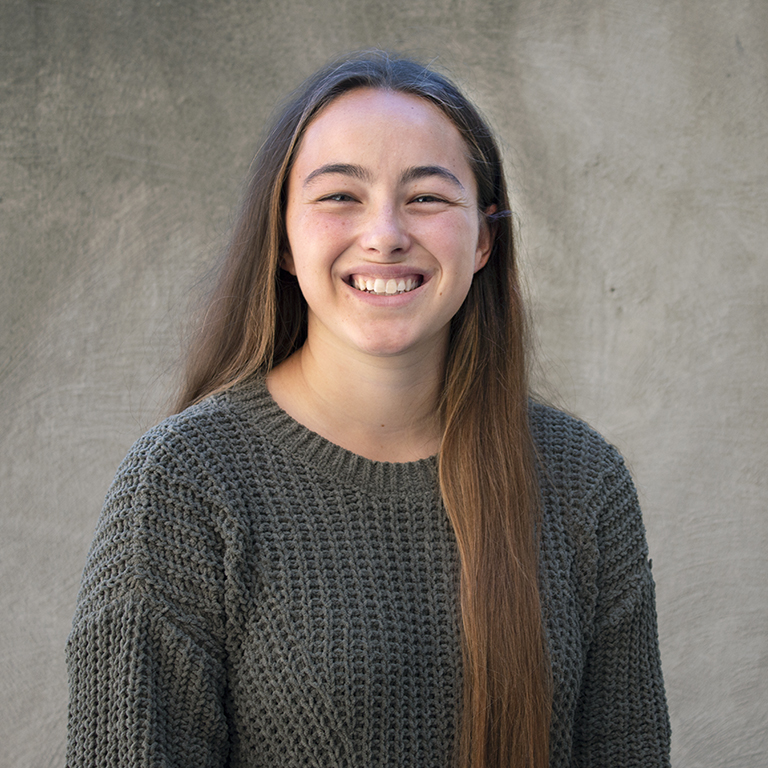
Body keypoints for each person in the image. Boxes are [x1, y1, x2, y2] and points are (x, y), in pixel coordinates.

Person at [66, 51, 671, 768]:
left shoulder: (583, 480)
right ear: (284, 239)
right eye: (339, 197)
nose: (385, 234)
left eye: (426, 198)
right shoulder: (185, 484)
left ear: (483, 239)